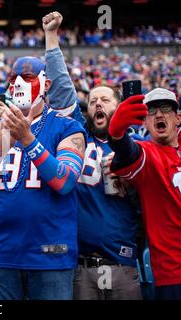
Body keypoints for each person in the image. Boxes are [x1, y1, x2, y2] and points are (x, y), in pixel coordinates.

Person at [0, 42, 86, 299]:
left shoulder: (67, 127)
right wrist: (1, 149)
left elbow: (65, 181)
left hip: (50, 253)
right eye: (13, 78)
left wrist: (28, 141)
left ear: (46, 85)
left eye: (27, 77)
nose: (18, 83)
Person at [43, 11, 142, 300]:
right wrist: (51, 37)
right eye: (92, 101)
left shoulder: (134, 149)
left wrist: (130, 182)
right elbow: (61, 88)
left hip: (122, 263)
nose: (97, 104)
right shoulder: (77, 135)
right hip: (80, 266)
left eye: (105, 100)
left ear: (119, 108)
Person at [108, 88, 181, 300]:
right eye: (151, 111)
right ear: (144, 123)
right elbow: (128, 153)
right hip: (174, 272)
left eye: (166, 109)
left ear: (177, 118)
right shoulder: (148, 154)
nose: (159, 114)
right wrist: (117, 135)